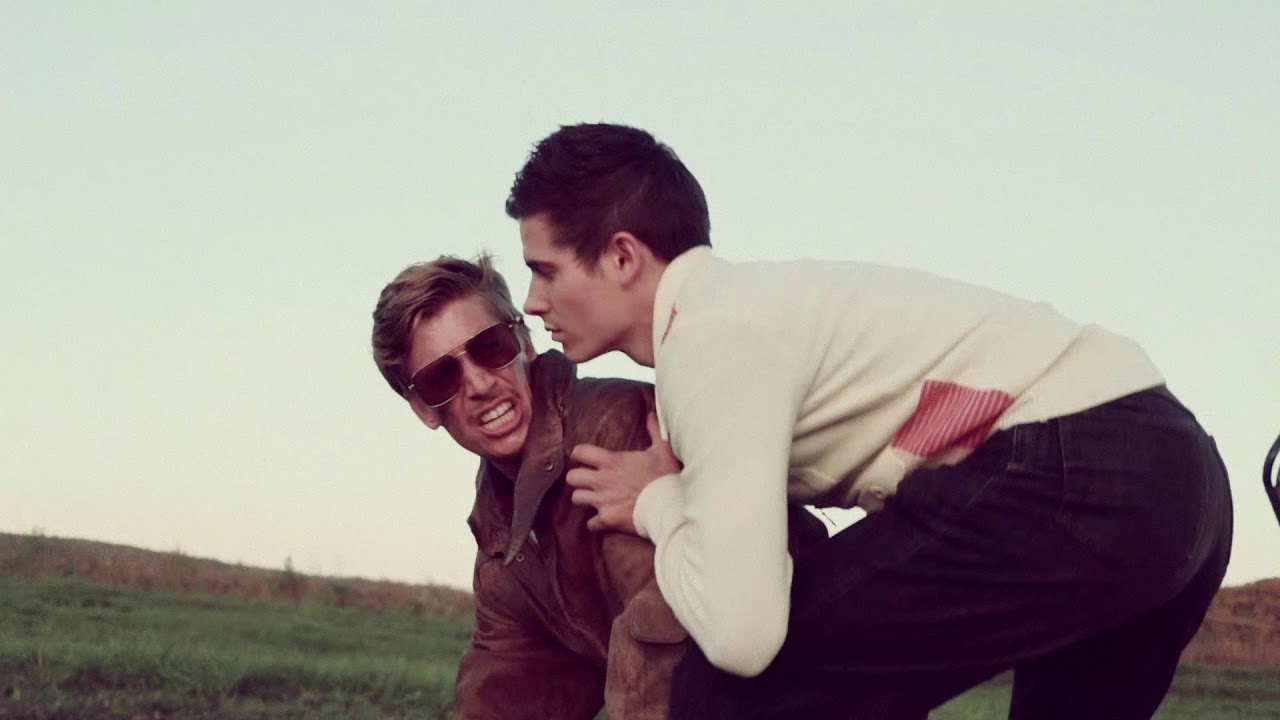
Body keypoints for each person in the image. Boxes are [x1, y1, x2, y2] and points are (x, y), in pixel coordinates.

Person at [503, 122, 1235, 720]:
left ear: (622, 257)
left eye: (545, 269)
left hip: (1081, 463)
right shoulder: (748, 314)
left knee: (728, 698)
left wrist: (662, 504)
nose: (533, 302)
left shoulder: (711, 336)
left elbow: (743, 635)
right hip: (1182, 482)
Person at [370, 254, 825, 720]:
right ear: (423, 409)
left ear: (524, 342)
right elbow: (508, 679)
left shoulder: (613, 432)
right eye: (441, 377)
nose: (480, 384)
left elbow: (666, 637)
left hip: (821, 676)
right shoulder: (500, 535)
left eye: (491, 347)